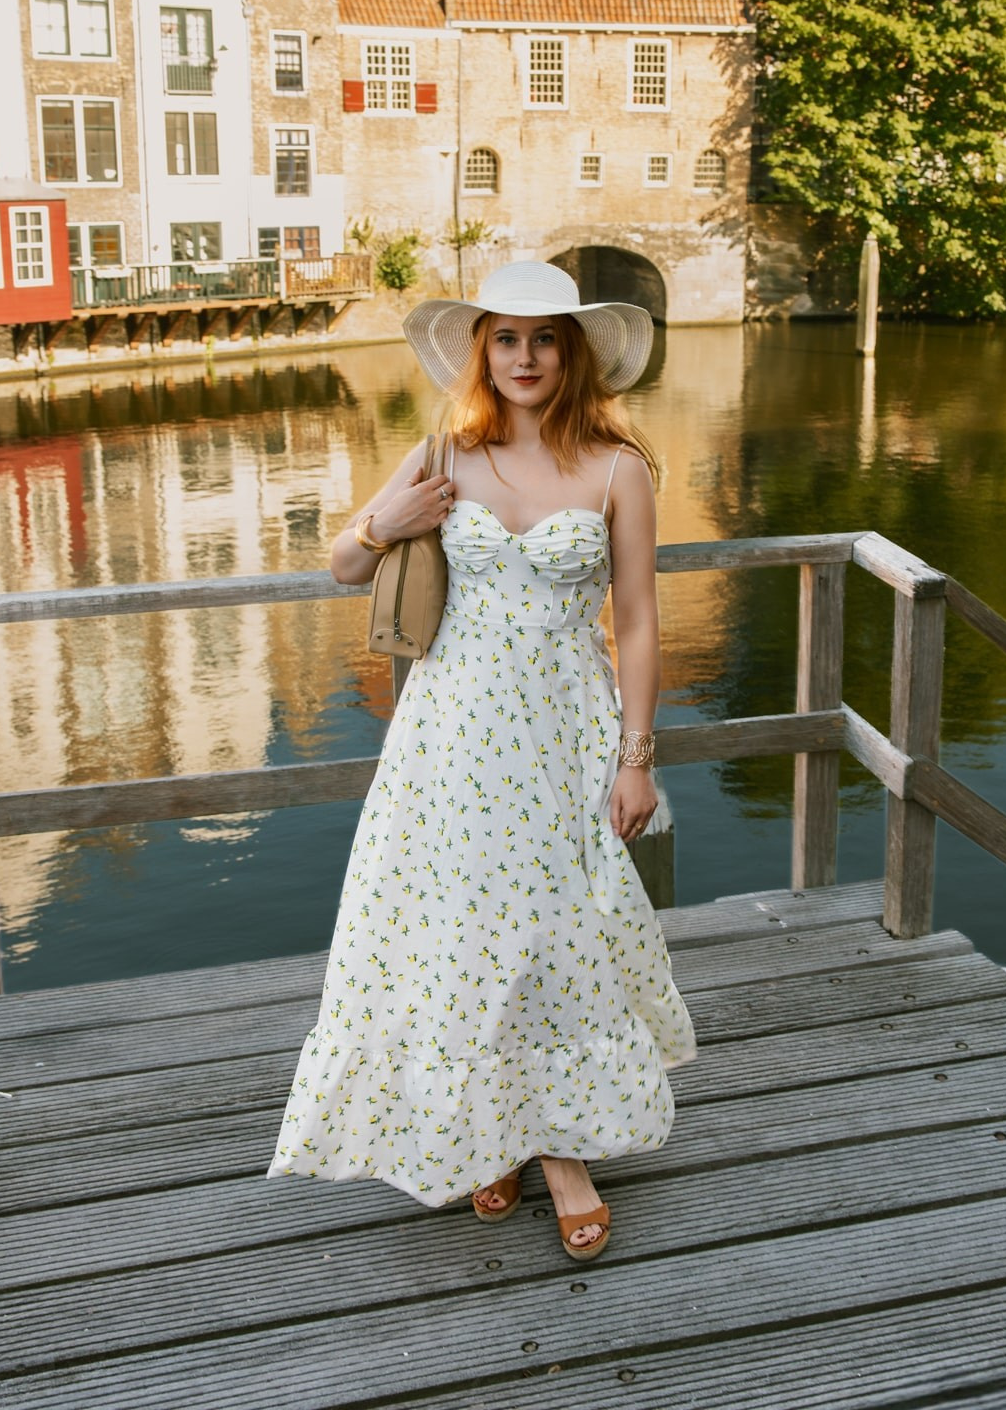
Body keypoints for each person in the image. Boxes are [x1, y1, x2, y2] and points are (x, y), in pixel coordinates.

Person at [267, 260, 696, 1261]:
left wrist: (635, 758)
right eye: (506, 339)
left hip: (561, 728)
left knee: (557, 927)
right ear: (482, 352)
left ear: (572, 352)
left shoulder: (615, 466)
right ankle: (492, 1133)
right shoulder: (445, 455)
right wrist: (389, 523)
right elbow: (341, 561)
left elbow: (635, 622)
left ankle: (560, 1155)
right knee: (461, 929)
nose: (525, 357)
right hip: (449, 733)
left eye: (544, 339)